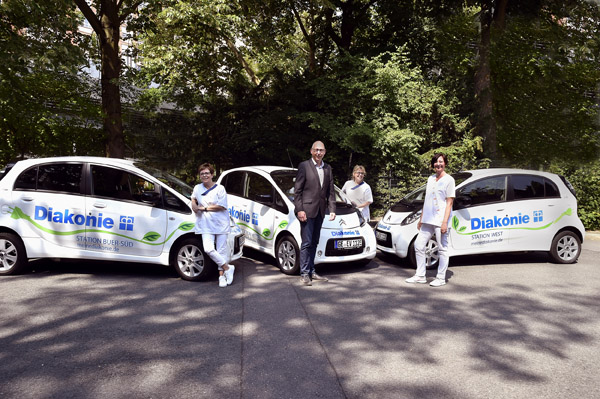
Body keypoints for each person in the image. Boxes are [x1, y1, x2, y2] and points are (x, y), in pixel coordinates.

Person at [406, 153, 455, 287]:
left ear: (445, 163)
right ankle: (420, 275)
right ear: (433, 165)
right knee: (419, 245)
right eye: (436, 162)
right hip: (428, 219)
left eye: (441, 161)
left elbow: (449, 202)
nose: (438, 164)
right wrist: (421, 218)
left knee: (442, 249)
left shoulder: (449, 180)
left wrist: (445, 222)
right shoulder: (431, 179)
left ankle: (441, 278)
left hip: (441, 220)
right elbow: (426, 200)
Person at [294, 141, 336, 286]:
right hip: (306, 211)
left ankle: (312, 270)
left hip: (320, 211)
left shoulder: (327, 168)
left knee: (315, 242)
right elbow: (297, 191)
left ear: (324, 152)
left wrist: (332, 209)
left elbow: (330, 191)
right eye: (316, 150)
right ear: (311, 151)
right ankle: (304, 273)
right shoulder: (304, 166)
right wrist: (299, 209)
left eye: (321, 150)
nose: (319, 153)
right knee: (306, 243)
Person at [191, 163, 234, 288]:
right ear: (200, 175)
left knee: (221, 251)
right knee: (208, 249)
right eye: (202, 173)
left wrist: (203, 208)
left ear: (212, 174)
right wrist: (194, 204)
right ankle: (228, 268)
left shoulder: (220, 189)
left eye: (207, 173)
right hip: (205, 224)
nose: (205, 175)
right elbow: (193, 198)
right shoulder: (197, 188)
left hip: (220, 223)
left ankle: (221, 276)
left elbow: (221, 206)